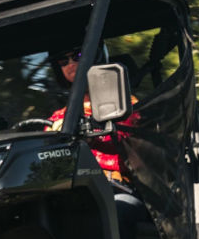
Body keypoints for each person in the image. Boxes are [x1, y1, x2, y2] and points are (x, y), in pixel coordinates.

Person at [45, 49, 139, 190]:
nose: (70, 64)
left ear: (97, 57)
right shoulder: (58, 117)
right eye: (63, 62)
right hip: (70, 189)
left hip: (116, 185)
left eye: (78, 56)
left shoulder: (125, 105)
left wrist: (89, 137)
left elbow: (134, 147)